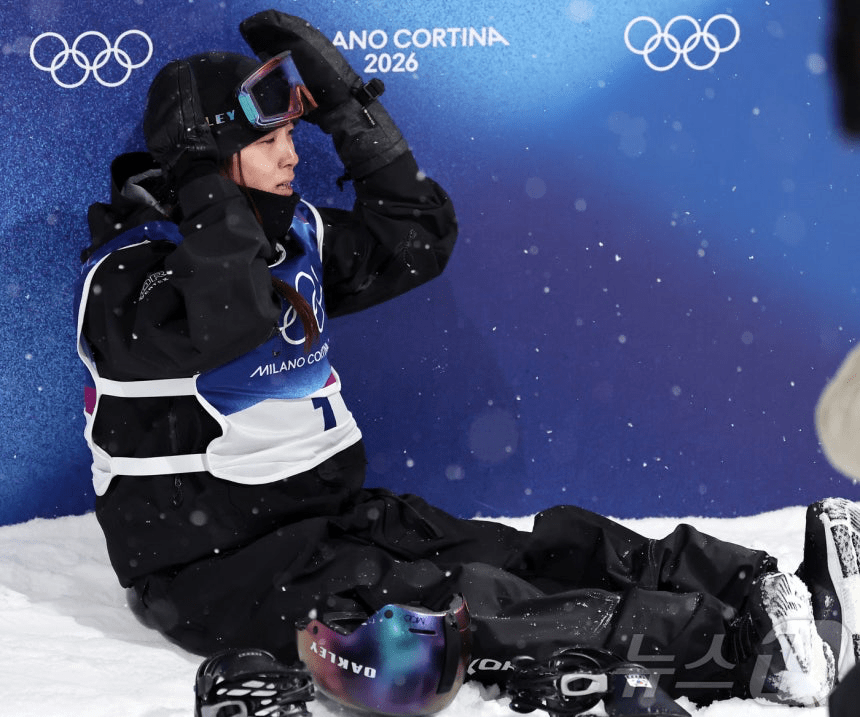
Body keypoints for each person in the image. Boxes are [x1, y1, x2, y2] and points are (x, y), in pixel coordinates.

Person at [77, 9, 860, 712]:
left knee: (523, 550)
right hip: (215, 573)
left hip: (328, 523)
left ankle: (759, 582)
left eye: (290, 137)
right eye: (268, 142)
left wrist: (350, 109)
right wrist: (204, 180)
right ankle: (740, 647)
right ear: (210, 158)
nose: (290, 157)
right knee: (480, 603)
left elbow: (419, 234)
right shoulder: (128, 277)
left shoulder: (291, 234)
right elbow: (231, 317)